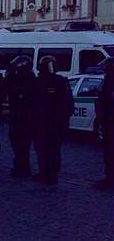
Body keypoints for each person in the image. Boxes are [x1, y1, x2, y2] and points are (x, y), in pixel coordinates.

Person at [32, 55, 73, 185]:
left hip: (46, 123)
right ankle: (49, 174)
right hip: (50, 123)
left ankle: (47, 174)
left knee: (46, 150)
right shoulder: (59, 81)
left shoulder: (41, 81)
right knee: (50, 150)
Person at [6, 56, 36, 178]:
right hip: (27, 117)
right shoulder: (32, 78)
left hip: (18, 117)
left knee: (18, 143)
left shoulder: (16, 79)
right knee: (24, 144)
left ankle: (20, 167)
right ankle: (24, 166)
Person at [95, 58, 114, 190]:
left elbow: (103, 101)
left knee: (109, 153)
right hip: (107, 121)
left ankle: (109, 180)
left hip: (110, 122)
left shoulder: (110, 81)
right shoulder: (107, 80)